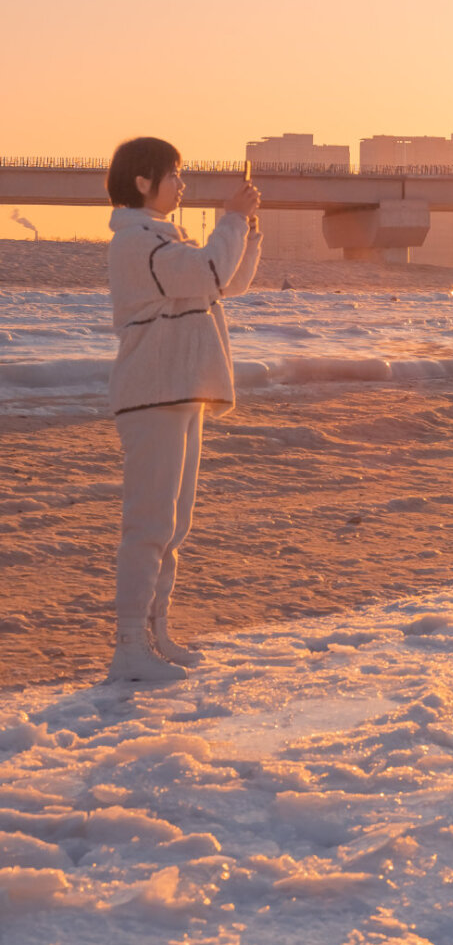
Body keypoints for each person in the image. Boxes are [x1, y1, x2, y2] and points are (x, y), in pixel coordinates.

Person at [104, 137, 262, 683]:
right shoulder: (137, 244)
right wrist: (230, 222)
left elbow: (228, 283)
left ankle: (156, 632)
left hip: (181, 390)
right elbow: (208, 275)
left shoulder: (164, 240)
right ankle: (129, 644)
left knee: (173, 526)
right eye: (174, 175)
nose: (181, 184)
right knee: (148, 523)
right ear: (144, 182)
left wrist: (246, 228)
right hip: (153, 394)